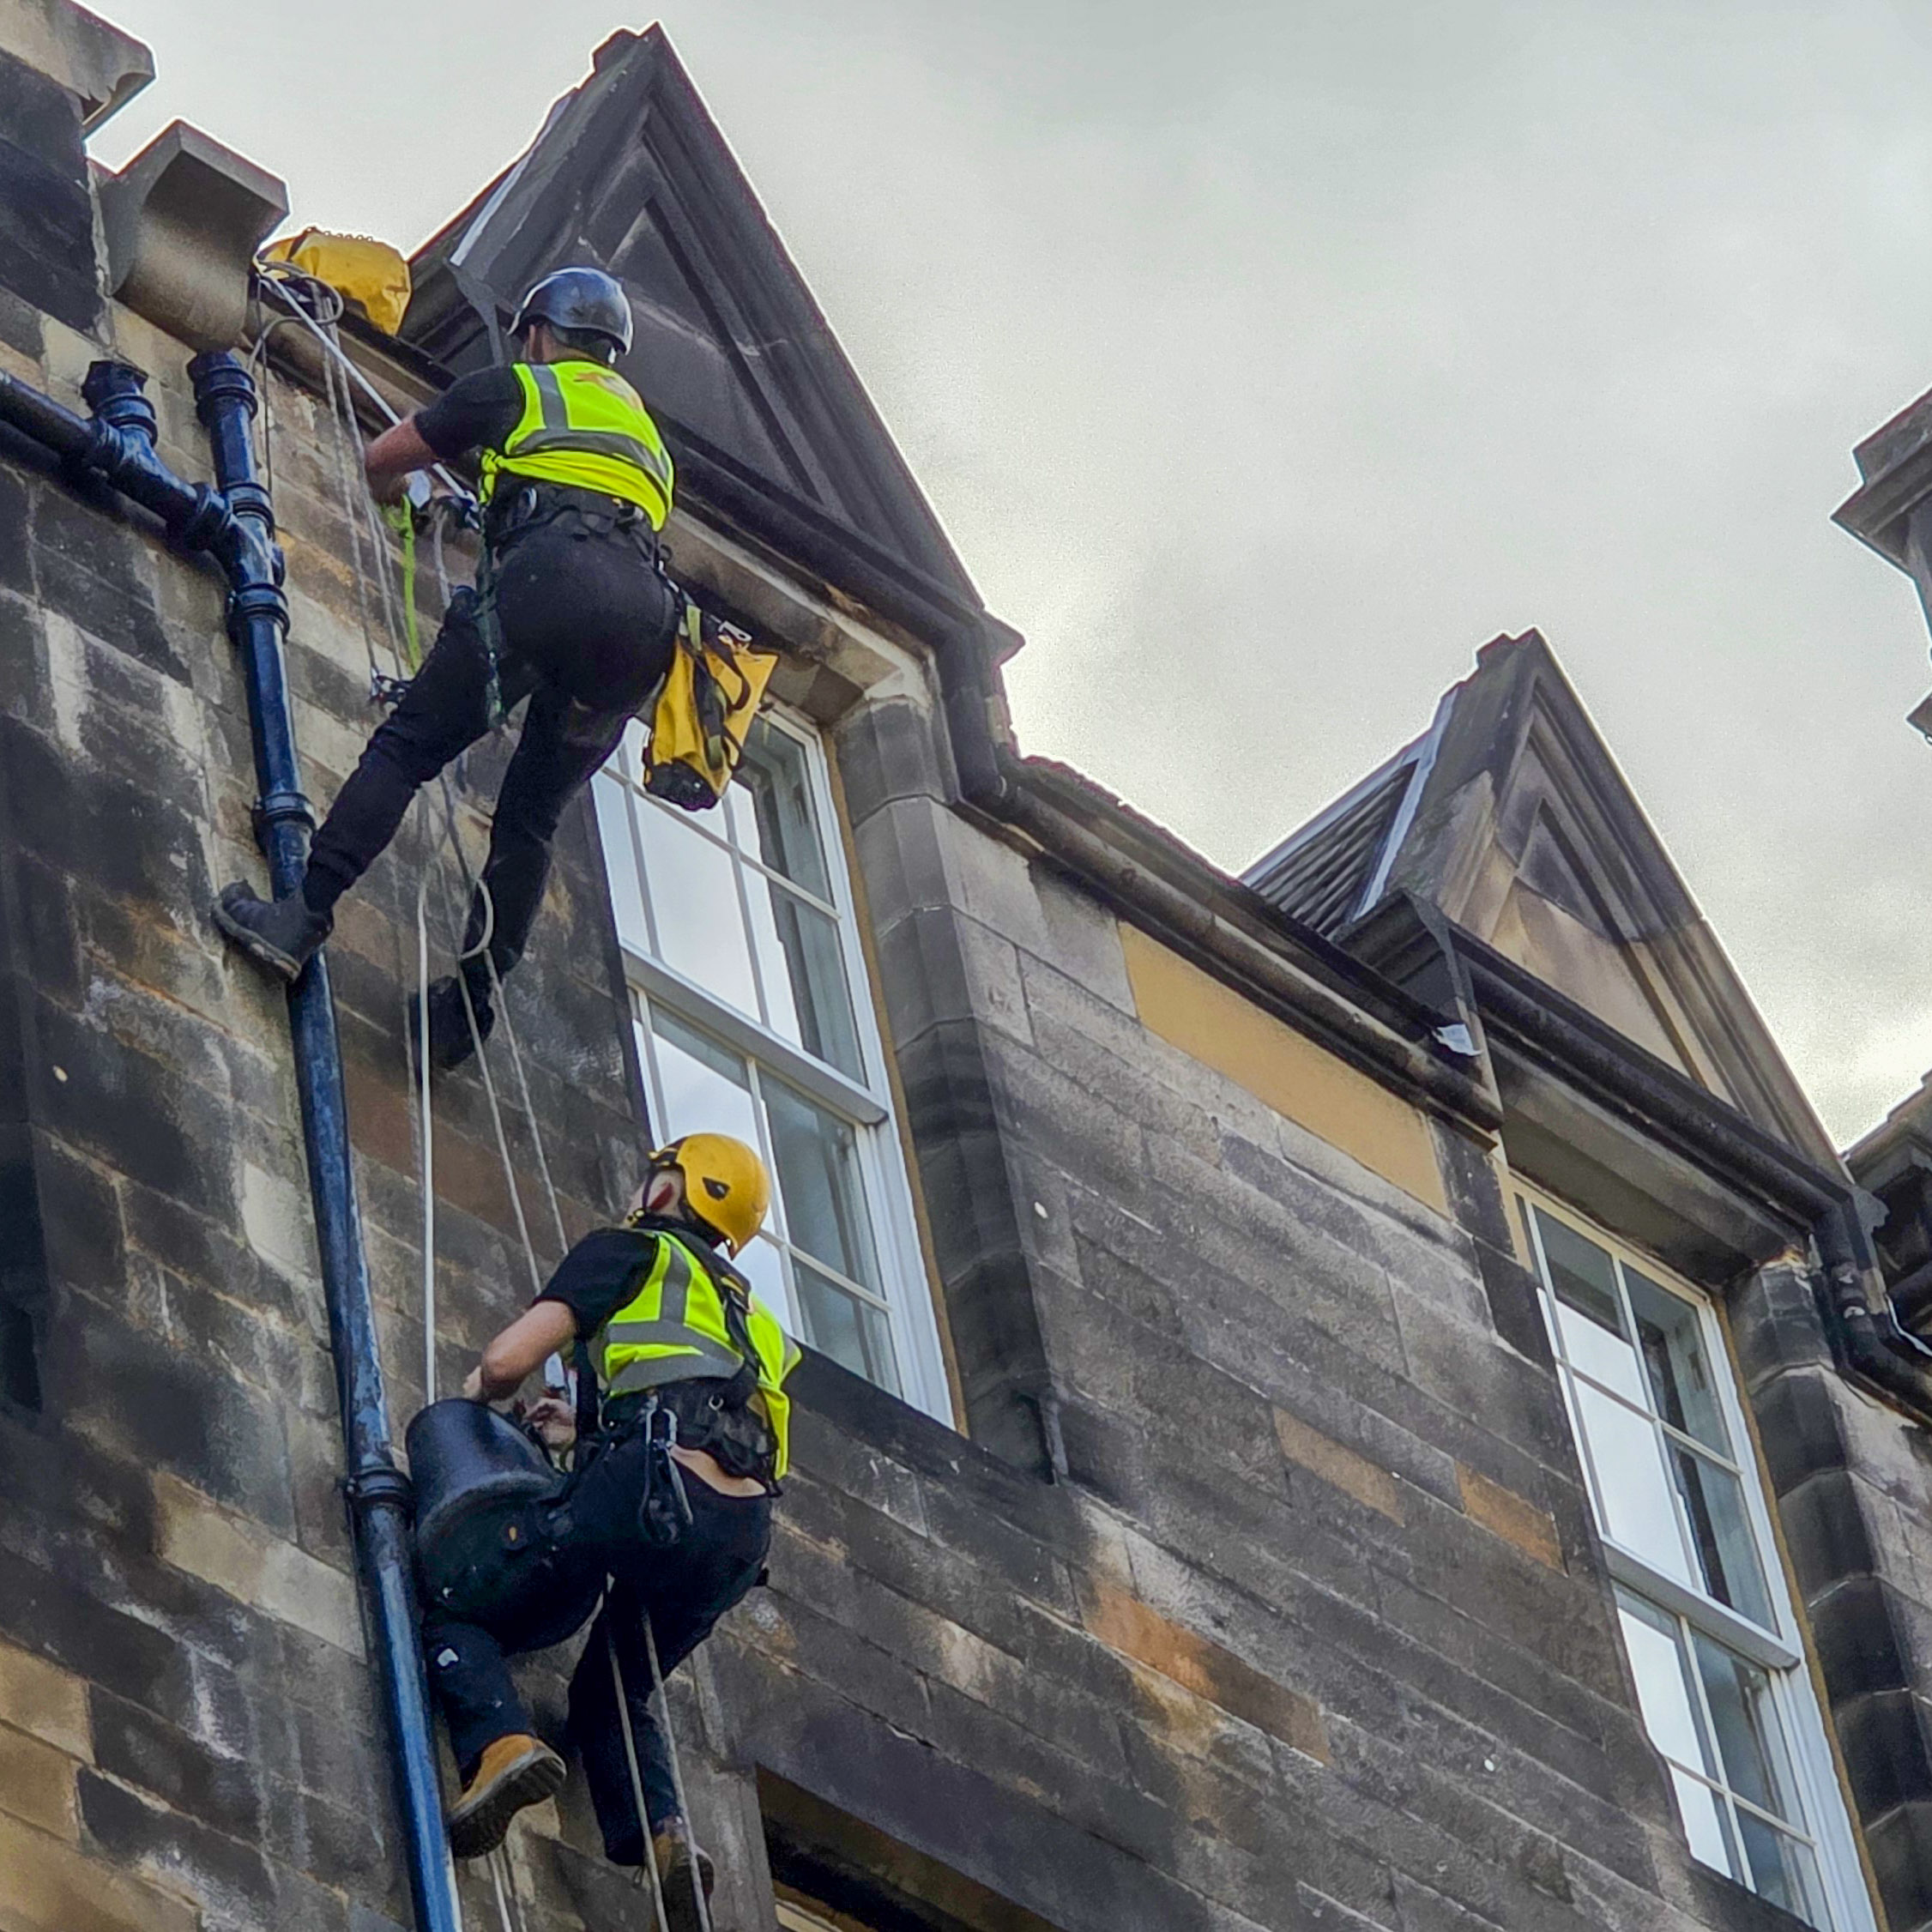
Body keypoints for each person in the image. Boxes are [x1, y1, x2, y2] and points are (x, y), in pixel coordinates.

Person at [214, 265, 680, 1068]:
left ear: (538, 332)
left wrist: (400, 500)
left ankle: (301, 920)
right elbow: (574, 495)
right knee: (531, 820)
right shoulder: (649, 447)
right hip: (643, 626)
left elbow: (384, 457)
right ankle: (469, 1004)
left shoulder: (519, 388)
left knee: (407, 748)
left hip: (549, 585)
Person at [426, 1132, 798, 1927]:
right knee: (614, 1685)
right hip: (737, 1540)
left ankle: (500, 1744)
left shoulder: (631, 1252)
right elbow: (702, 1400)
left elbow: (506, 1361)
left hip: (646, 1492)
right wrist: (583, 1428)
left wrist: (478, 1396)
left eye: (659, 1176)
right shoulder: (756, 1324)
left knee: (460, 1599)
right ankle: (663, 1836)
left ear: (671, 1193)